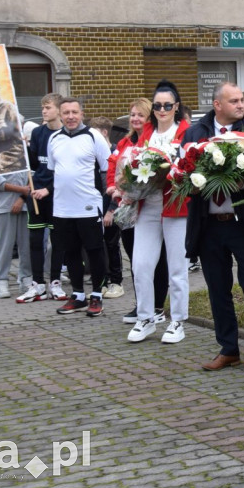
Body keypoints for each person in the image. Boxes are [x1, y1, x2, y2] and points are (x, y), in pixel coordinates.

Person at [185, 82, 244, 371]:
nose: (241, 105)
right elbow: (181, 172)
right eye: (233, 101)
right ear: (217, 105)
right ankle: (228, 348)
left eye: (241, 100)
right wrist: (192, 186)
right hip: (210, 224)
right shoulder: (195, 133)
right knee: (217, 288)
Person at [122, 81, 191, 344]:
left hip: (175, 206)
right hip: (147, 206)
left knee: (177, 268)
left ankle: (177, 321)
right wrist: (127, 185)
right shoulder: (146, 132)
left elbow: (189, 168)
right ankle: (146, 318)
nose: (162, 110)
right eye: (158, 105)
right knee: (141, 265)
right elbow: (130, 163)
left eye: (167, 105)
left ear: (176, 107)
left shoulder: (185, 132)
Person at [34, 97, 111, 317]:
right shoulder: (54, 139)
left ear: (82, 114)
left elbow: (107, 170)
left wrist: (107, 205)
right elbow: (54, 170)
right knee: (71, 253)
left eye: (74, 112)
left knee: (95, 251)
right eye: (66, 112)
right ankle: (78, 295)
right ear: (60, 114)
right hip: (62, 209)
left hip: (89, 206)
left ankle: (96, 295)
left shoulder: (93, 136)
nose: (70, 116)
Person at [106, 98, 168, 324]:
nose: (135, 119)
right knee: (136, 260)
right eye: (132, 114)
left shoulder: (154, 140)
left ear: (149, 117)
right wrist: (114, 188)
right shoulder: (124, 141)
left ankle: (158, 306)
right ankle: (142, 305)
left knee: (157, 259)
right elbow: (114, 166)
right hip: (127, 207)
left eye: (140, 115)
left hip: (151, 207)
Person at [18, 93, 66, 303]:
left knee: (57, 241)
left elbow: (66, 170)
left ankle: (55, 281)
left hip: (57, 194)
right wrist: (26, 149)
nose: (44, 111)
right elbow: (35, 166)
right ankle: (37, 284)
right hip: (36, 194)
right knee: (36, 241)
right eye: (42, 107)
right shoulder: (38, 132)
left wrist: (49, 188)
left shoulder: (66, 134)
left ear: (58, 109)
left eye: (48, 107)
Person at [88, 117, 125, 299]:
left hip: (111, 206)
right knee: (97, 245)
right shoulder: (93, 157)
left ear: (103, 133)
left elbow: (117, 184)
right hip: (94, 207)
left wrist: (111, 209)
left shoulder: (116, 153)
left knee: (112, 243)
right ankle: (101, 281)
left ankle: (116, 281)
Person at [0, 170, 33, 298]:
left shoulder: (23, 155)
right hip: (4, 206)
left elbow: (32, 178)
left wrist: (22, 198)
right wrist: (21, 189)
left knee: (27, 245)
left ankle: (26, 278)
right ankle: (1, 281)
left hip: (25, 206)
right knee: (4, 246)